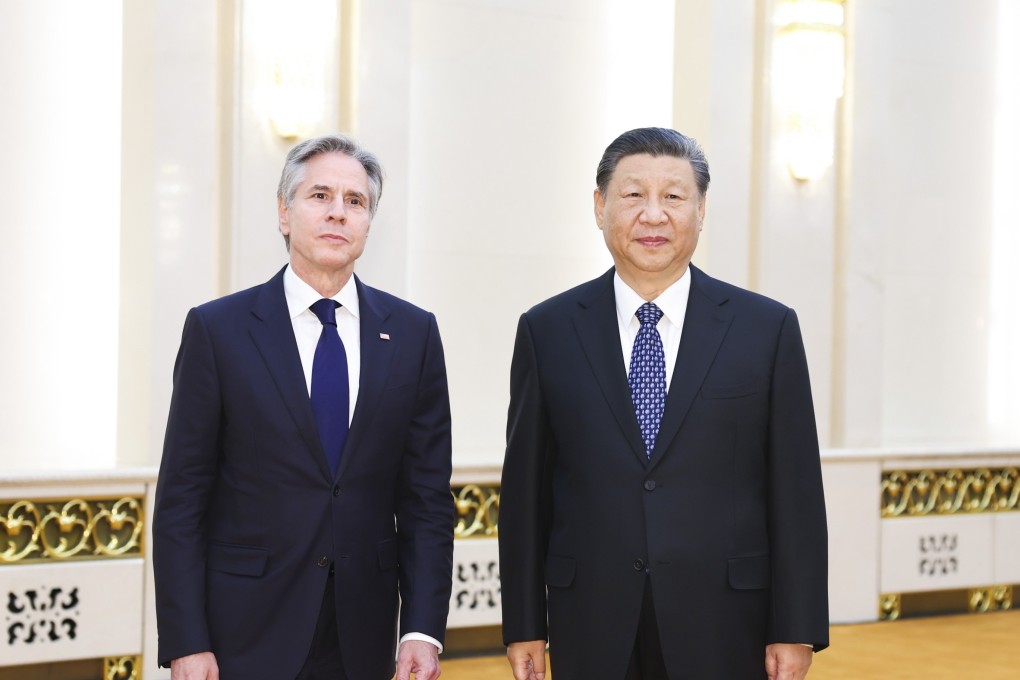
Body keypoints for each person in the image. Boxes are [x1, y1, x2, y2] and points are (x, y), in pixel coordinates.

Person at [499, 127, 828, 680]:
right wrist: (525, 621)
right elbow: (526, 494)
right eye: (632, 196)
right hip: (592, 621)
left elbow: (795, 492)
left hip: (727, 622)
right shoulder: (548, 330)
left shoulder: (766, 329)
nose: (653, 215)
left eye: (674, 197)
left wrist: (795, 627)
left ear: (701, 211)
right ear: (600, 207)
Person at [153, 134, 454, 680]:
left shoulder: (414, 335)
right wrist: (185, 640)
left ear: (368, 222)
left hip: (363, 635)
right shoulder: (218, 331)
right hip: (242, 634)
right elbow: (181, 500)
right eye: (320, 196)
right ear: (284, 212)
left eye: (355, 202)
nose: (338, 213)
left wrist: (422, 628)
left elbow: (426, 502)